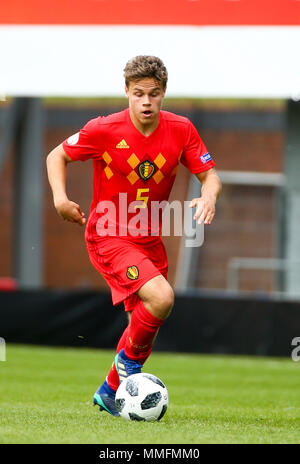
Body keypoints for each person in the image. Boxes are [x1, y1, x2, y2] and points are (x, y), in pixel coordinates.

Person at [46, 55, 222, 417]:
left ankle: (110, 391)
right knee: (161, 297)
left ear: (163, 94)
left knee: (145, 319)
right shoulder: (104, 129)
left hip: (149, 238)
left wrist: (208, 195)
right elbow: (56, 155)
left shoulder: (181, 129)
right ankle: (129, 370)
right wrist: (61, 199)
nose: (146, 102)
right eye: (139, 93)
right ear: (126, 91)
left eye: (154, 94)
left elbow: (210, 175)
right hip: (108, 233)